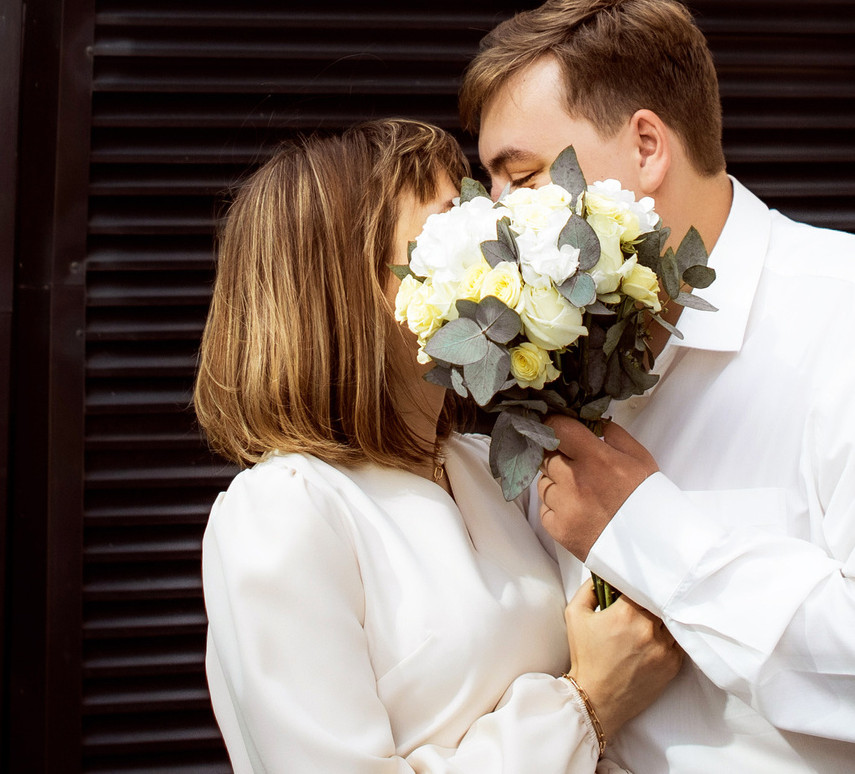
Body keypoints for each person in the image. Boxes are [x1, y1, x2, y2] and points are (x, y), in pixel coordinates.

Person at [465, 0, 855, 774]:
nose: (492, 219)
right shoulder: (561, 374)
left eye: (526, 176)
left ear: (647, 147)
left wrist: (652, 532)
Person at [196, 119, 683, 772]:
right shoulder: (282, 511)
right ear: (352, 278)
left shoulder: (486, 465)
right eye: (453, 219)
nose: (498, 242)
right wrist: (584, 705)